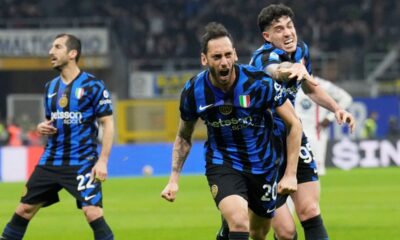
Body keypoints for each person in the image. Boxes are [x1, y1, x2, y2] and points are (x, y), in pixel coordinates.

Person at [217, 4, 356, 240]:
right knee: (284, 231)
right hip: (262, 145)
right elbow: (275, 70)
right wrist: (291, 69)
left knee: (310, 210)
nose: (288, 32)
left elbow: (310, 88)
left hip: (292, 134)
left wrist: (337, 108)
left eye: (290, 26)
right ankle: (228, 226)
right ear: (267, 36)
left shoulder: (301, 50)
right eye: (279, 29)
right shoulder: (262, 58)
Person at [161, 22, 303, 240]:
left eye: (228, 55)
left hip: (263, 166)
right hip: (223, 163)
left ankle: (223, 233)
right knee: (238, 221)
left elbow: (294, 123)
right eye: (217, 57)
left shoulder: (259, 83)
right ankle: (229, 226)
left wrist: (290, 174)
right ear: (204, 59)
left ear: (235, 55)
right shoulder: (193, 91)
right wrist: (173, 179)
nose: (224, 62)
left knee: (259, 233)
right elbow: (183, 137)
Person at [0, 34, 114, 240]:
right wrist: (41, 126)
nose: (51, 52)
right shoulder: (50, 87)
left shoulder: (93, 85)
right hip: (51, 160)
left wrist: (103, 160)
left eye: (57, 47)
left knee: (93, 213)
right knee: (24, 210)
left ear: (72, 54)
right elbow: (51, 121)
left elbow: (108, 123)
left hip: (82, 161)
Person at [295, 76, 353, 175]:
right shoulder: (286, 83)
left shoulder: (321, 84)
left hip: (314, 136)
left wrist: (329, 118)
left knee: (313, 174)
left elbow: (346, 98)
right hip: (292, 136)